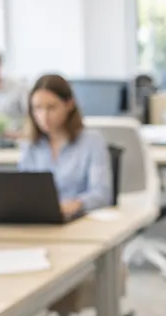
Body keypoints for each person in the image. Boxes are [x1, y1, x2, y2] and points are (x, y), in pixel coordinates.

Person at [19, 74, 111, 217]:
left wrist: (75, 204)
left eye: (51, 108)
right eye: (37, 108)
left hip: (79, 220)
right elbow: (23, 190)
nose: (44, 116)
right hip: (39, 220)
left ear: (69, 105)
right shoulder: (30, 144)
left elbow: (102, 195)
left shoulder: (92, 141)